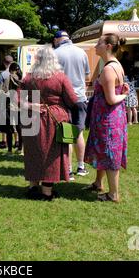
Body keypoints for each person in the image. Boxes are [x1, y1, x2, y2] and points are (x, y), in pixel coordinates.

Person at [21, 46, 78, 201]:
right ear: (54, 60)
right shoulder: (60, 78)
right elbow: (73, 100)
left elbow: (16, 100)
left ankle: (33, 187)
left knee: (33, 153)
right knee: (51, 155)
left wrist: (31, 105)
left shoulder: (28, 78)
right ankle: (47, 192)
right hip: (54, 120)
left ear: (37, 60)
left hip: (31, 118)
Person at [83, 33, 130, 202]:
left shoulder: (109, 69)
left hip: (108, 119)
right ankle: (97, 183)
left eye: (98, 43)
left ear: (108, 46)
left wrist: (124, 95)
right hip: (107, 117)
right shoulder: (114, 65)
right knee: (102, 150)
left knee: (110, 153)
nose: (95, 46)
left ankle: (113, 194)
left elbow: (111, 99)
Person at [54, 30, 90, 179]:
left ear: (57, 40)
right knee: (79, 133)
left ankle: (67, 169)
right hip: (80, 97)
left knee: (67, 134)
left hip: (63, 98)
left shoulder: (55, 53)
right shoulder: (82, 52)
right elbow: (87, 75)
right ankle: (81, 167)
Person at [0, 55, 15, 149]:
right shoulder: (18, 73)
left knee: (5, 122)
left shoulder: (3, 74)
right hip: (16, 100)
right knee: (15, 121)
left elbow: (0, 88)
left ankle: (4, 141)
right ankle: (17, 141)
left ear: (4, 63)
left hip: (5, 100)